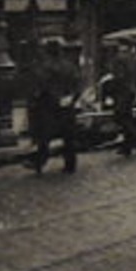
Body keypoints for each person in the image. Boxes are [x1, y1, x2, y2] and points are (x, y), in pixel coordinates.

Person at [28, 41, 80, 174]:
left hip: (49, 105)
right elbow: (77, 85)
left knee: (44, 135)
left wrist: (36, 99)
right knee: (68, 136)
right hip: (67, 105)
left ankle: (40, 162)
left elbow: (40, 86)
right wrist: (71, 98)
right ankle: (70, 164)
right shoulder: (70, 66)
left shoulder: (44, 67)